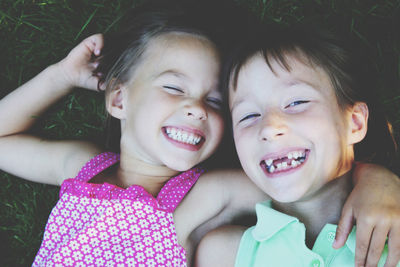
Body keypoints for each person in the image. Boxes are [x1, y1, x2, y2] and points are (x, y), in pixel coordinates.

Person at [0, 2, 399, 266]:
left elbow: (308, 179)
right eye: (173, 87)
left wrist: (376, 181)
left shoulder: (210, 192)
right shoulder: (83, 167)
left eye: (214, 102)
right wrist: (61, 77)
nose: (195, 108)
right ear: (119, 99)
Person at [195, 24, 400, 267]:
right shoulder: (224, 254)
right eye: (248, 116)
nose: (269, 127)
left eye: (297, 102)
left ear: (354, 123)